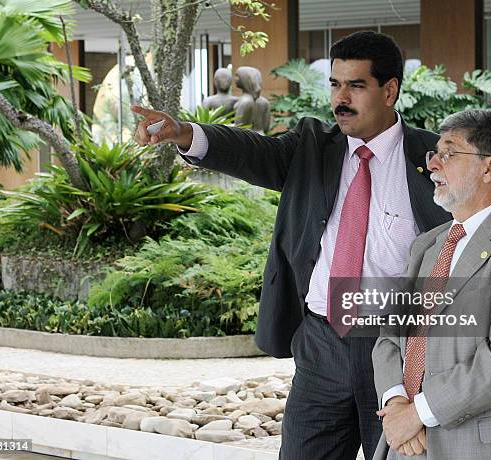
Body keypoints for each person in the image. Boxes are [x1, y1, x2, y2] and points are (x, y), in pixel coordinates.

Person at [132, 31, 450, 460]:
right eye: (335, 84)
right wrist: (184, 133)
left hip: (396, 348)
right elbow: (253, 152)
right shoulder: (312, 146)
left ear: (390, 90)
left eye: (356, 86)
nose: (341, 98)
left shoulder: (436, 158)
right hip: (321, 343)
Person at [372, 109, 491, 460]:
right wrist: (396, 402)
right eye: (434, 154)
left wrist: (416, 414)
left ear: (490, 167)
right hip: (406, 446)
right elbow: (389, 337)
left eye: (447, 154)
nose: (433, 165)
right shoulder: (426, 246)